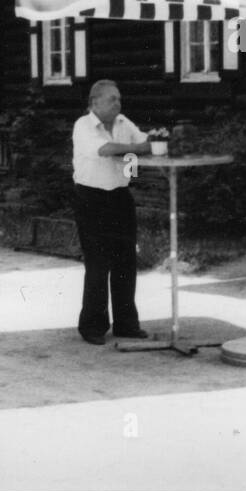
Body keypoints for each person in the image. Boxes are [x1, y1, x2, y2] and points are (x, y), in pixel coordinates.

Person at [72, 80, 152, 344]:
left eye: (119, 98)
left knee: (126, 263)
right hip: (91, 198)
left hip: (119, 197)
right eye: (111, 99)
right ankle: (92, 327)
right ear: (94, 102)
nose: (118, 103)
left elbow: (147, 142)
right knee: (97, 264)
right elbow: (105, 150)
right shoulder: (83, 126)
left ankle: (126, 324)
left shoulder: (123, 122)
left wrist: (145, 145)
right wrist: (138, 148)